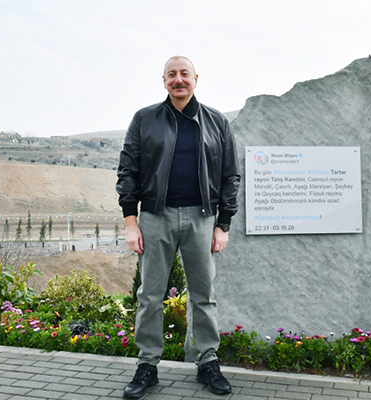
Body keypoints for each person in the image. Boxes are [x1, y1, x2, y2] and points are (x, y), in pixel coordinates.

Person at [116, 55, 240, 398]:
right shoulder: (145, 119)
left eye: (184, 73)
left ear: (196, 78)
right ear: (164, 81)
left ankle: (207, 361)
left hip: (202, 218)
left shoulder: (216, 122)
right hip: (156, 217)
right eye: (171, 74)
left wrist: (223, 224)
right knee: (150, 296)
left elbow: (230, 175)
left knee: (204, 296)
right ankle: (147, 365)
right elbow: (128, 170)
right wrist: (131, 222)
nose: (178, 79)